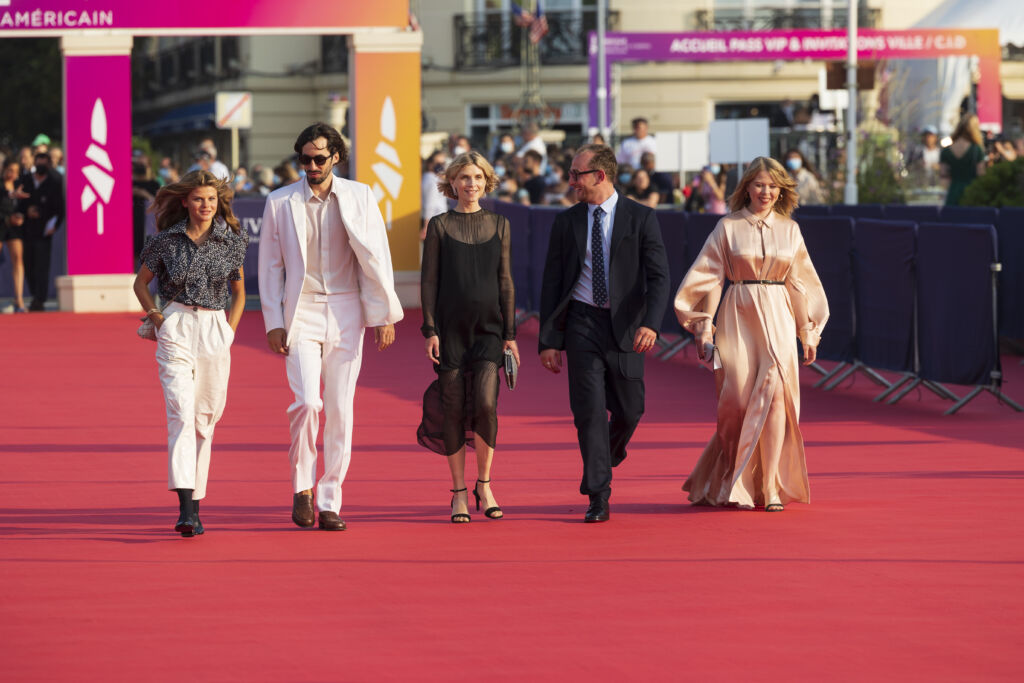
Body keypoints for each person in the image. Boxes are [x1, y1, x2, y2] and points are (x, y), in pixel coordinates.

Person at [258, 122, 403, 532]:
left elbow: (376, 257)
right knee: (308, 402)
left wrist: (383, 314)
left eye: (319, 158)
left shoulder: (360, 195)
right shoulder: (279, 202)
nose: (312, 166)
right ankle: (302, 487)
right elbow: (270, 267)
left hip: (346, 309)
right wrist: (273, 321)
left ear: (335, 157)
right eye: (304, 159)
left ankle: (329, 500)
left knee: (340, 409)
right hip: (300, 310)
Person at [674, 156, 828, 512]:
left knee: (776, 397)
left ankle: (770, 485)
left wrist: (808, 331)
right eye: (760, 185)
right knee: (737, 400)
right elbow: (710, 278)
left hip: (778, 314)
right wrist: (703, 327)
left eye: (773, 186)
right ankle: (732, 475)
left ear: (781, 190)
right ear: (747, 188)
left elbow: (800, 284)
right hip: (738, 312)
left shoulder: (790, 230)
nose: (766, 192)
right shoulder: (727, 227)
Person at [538, 144, 670, 523]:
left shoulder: (641, 218)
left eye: (576, 174)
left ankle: (604, 458)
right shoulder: (566, 222)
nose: (570, 181)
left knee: (631, 410)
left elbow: (659, 277)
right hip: (582, 323)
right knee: (589, 413)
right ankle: (598, 494)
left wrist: (651, 323)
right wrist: (549, 341)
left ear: (600, 175)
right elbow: (552, 283)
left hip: (626, 326)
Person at [132, 170, 248, 537]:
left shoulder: (231, 241)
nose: (206, 205)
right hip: (177, 325)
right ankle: (185, 510)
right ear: (184, 201)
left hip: (215, 328)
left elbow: (239, 292)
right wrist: (158, 318)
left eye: (211, 199)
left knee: (204, 419)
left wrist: (229, 332)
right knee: (181, 413)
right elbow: (140, 283)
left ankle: (195, 506)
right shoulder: (165, 241)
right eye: (199, 199)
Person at [417, 151, 518, 523]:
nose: (470, 184)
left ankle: (484, 484)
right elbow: (429, 281)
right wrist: (430, 329)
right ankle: (459, 491)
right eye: (463, 177)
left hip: (489, 330)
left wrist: (510, 334)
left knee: (487, 404)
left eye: (477, 177)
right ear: (452, 183)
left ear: (486, 181)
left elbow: (505, 280)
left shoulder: (500, 224)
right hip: (450, 331)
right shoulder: (440, 226)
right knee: (454, 407)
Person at [17, 151, 63, 311]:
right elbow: (18, 203)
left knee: (42, 266)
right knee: (28, 264)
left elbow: (59, 207)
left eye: (44, 163)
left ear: (48, 164)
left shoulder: (55, 182)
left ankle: (39, 299)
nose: (41, 166)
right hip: (26, 230)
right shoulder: (26, 180)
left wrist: (54, 225)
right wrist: (26, 211)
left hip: (44, 231)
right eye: (38, 162)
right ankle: (34, 294)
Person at [940, 114, 987, 207]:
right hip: (971, 193)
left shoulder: (946, 150)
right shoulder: (976, 149)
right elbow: (981, 174)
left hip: (953, 192)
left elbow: (943, 175)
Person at [1, 159, 29, 312]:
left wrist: (21, 216)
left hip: (14, 227)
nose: (13, 174)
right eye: (10, 170)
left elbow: (24, 205)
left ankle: (19, 299)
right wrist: (6, 219)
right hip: (1, 224)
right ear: (4, 169)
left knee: (18, 259)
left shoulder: (20, 185)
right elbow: (6, 194)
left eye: (16, 171)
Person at [420, 150, 449, 240]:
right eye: (438, 163)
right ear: (430, 164)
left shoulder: (427, 177)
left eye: (443, 163)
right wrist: (426, 227)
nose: (441, 166)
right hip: (435, 223)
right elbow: (429, 205)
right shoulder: (432, 180)